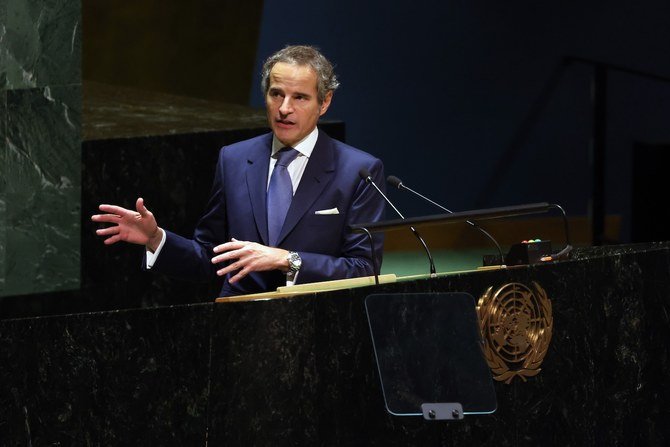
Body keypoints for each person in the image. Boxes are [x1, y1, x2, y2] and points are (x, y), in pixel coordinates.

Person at [91, 45, 385, 297]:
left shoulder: (358, 171)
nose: (284, 108)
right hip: (240, 329)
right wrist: (156, 238)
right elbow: (211, 258)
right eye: (276, 94)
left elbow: (364, 269)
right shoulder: (234, 159)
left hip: (322, 328)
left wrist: (288, 260)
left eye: (300, 98)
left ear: (324, 103)